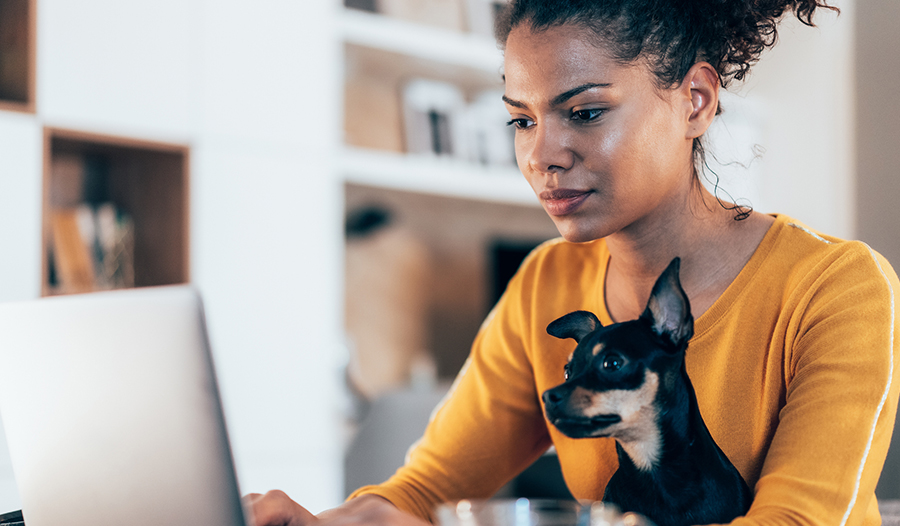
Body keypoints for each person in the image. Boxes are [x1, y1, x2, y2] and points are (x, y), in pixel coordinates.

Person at [248, 0, 900, 524]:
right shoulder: (545, 284)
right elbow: (425, 491)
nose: (542, 156)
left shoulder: (837, 288)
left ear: (695, 101)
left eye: (584, 112)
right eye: (521, 121)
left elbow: (799, 520)